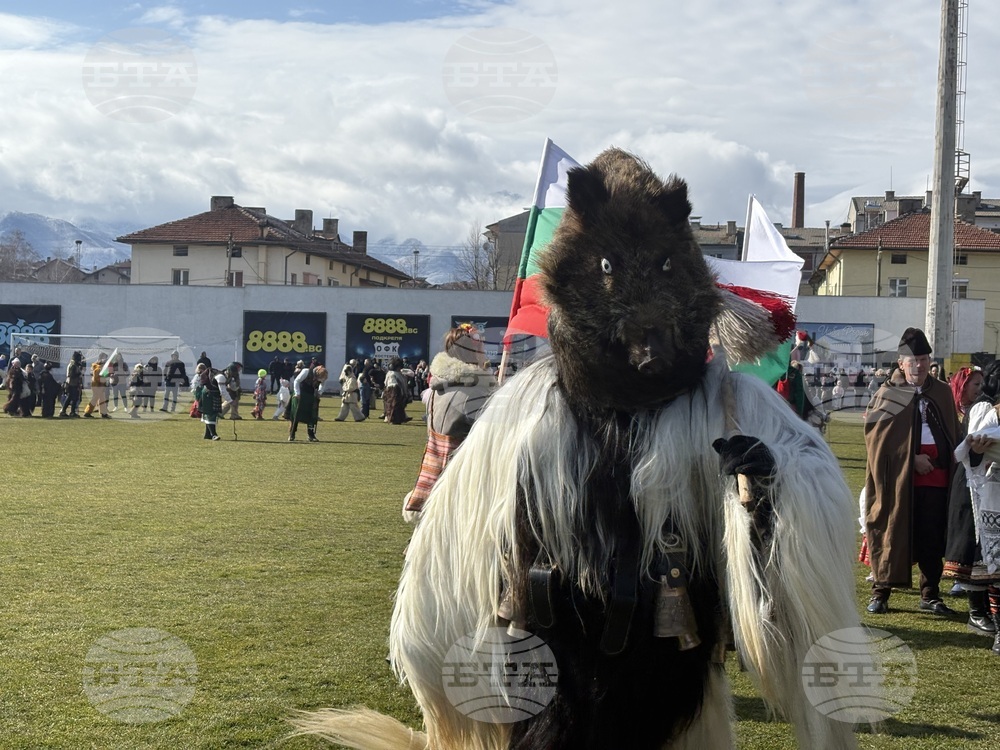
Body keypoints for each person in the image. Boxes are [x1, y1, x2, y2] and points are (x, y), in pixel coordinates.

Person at [864, 327, 961, 615]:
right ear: (900, 363)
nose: (919, 365)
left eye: (923, 359)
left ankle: (930, 594)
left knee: (932, 532)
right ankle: (881, 591)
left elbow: (952, 431)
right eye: (913, 359)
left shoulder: (942, 392)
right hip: (897, 476)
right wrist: (911, 459)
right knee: (891, 527)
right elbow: (876, 441)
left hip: (937, 473)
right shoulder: (888, 394)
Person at [402, 325, 497, 521]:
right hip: (463, 487)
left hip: (436, 481)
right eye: (480, 349)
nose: (484, 354)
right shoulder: (474, 393)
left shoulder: (438, 389)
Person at [951, 363, 1000, 654]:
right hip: (994, 492)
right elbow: (971, 459)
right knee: (996, 568)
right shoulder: (987, 412)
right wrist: (978, 451)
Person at [288, 364, 328, 442]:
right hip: (300, 394)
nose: (319, 380)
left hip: (311, 396)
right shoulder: (306, 371)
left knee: (312, 416)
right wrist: (297, 393)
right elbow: (296, 381)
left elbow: (322, 384)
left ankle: (311, 435)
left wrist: (319, 393)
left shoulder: (323, 375)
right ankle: (292, 434)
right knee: (296, 415)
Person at [194, 363, 222, 440]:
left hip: (208, 395)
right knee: (210, 415)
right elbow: (222, 390)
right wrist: (229, 400)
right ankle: (213, 434)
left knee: (209, 415)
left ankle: (207, 434)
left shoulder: (211, 377)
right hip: (208, 397)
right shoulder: (218, 378)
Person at [382, 357, 410, 424]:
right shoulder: (395, 374)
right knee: (395, 405)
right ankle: (394, 419)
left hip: (393, 390)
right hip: (395, 391)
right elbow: (399, 384)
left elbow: (385, 382)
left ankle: (399, 418)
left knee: (394, 405)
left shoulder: (392, 373)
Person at [83, 352, 110, 418]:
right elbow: (99, 377)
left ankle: (103, 413)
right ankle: (87, 412)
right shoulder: (99, 367)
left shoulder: (96, 366)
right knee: (95, 399)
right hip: (98, 385)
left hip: (97, 384)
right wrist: (105, 379)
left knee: (102, 399)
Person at [59, 351, 84, 418]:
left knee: (71, 398)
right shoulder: (73, 365)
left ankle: (67, 411)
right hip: (72, 383)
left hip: (73, 383)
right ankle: (69, 411)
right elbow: (71, 375)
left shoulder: (74, 364)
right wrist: (79, 374)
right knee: (72, 398)